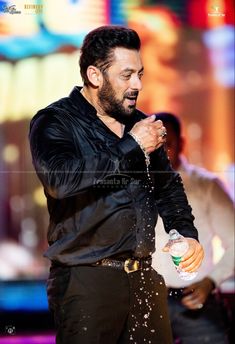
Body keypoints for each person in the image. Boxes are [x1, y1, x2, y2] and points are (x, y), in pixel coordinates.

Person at [29, 26, 204, 344]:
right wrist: (132, 147)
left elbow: (167, 188)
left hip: (145, 279)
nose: (137, 84)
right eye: (126, 75)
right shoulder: (55, 121)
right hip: (86, 281)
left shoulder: (141, 125)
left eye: (139, 74)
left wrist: (186, 233)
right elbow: (61, 180)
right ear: (95, 75)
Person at [152, 112, 234, 344]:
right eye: (155, 142)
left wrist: (210, 282)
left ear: (182, 143)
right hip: (146, 297)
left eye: (167, 143)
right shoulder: (133, 185)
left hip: (193, 298)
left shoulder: (205, 186)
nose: (160, 149)